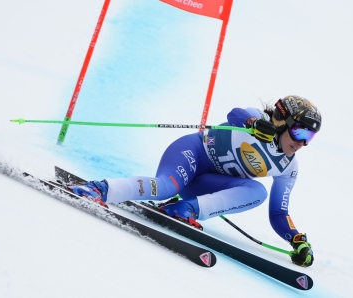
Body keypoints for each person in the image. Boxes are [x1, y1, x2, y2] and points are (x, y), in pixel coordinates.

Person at [69, 95, 321, 267]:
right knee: (166, 186)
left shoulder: (288, 167)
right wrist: (252, 124)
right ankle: (99, 189)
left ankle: (183, 209)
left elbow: (279, 212)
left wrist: (296, 239)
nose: (301, 143)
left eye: (309, 136)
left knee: (257, 191)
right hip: (193, 153)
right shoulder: (258, 120)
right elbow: (235, 114)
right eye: (299, 131)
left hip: (206, 183)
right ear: (281, 121)